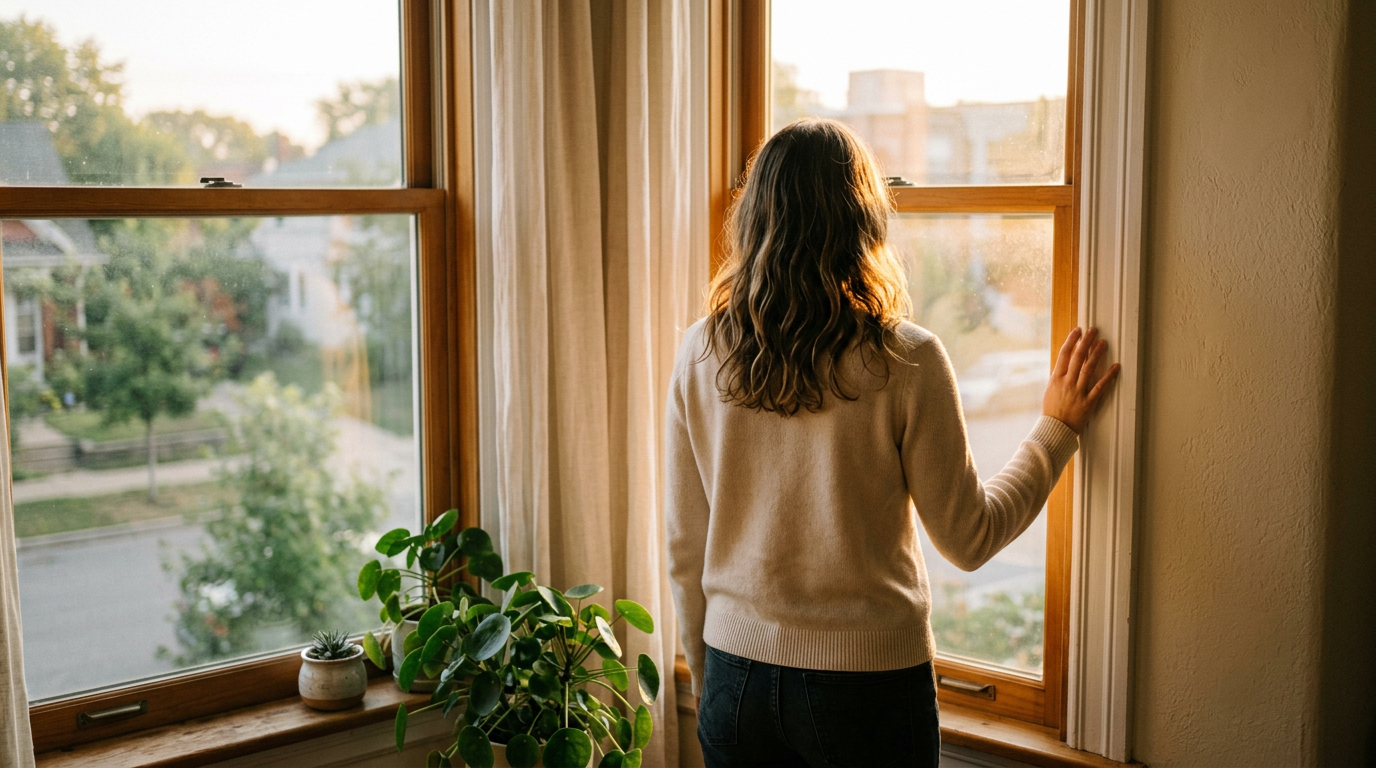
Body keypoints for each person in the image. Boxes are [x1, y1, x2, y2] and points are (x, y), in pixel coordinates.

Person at [665, 118, 1119, 768]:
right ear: (863, 220)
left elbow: (685, 545)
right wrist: (1058, 429)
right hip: (865, 691)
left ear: (755, 219)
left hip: (737, 680)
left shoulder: (699, 351)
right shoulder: (903, 358)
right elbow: (969, 537)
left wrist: (716, 682)